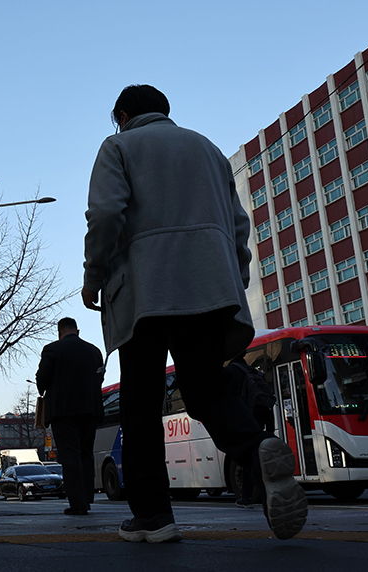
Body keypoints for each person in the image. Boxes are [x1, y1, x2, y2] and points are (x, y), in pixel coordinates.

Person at [82, 84, 307, 543]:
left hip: (146, 290)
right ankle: (255, 445)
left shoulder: (119, 145)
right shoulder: (208, 149)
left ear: (122, 114)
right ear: (165, 111)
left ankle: (153, 517)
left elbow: (106, 214)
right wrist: (234, 276)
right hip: (208, 283)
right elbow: (239, 223)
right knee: (206, 389)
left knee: (141, 404)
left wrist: (94, 274)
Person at [35, 317, 104, 515]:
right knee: (85, 452)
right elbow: (99, 377)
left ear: (59, 332)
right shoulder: (94, 351)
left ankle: (77, 502)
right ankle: (87, 497)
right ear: (77, 331)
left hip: (63, 411)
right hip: (90, 409)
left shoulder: (52, 349)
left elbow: (42, 379)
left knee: (70, 454)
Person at [228, 357, 277, 508]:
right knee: (260, 454)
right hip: (264, 416)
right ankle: (271, 494)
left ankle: (247, 497)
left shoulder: (231, 372)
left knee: (248, 458)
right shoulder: (255, 372)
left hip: (246, 417)